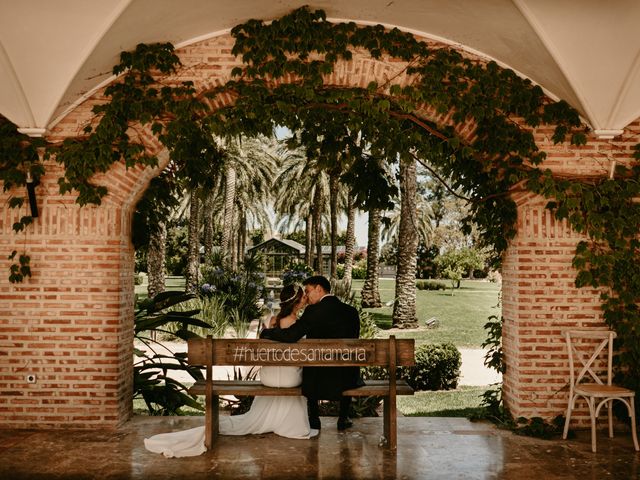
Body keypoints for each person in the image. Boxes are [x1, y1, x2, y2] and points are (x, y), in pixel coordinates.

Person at [144, 284, 318, 458]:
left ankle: (273, 419)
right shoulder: (299, 324)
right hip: (291, 380)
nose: (305, 299)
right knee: (298, 376)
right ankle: (290, 424)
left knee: (279, 374)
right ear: (297, 302)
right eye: (303, 296)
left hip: (269, 378)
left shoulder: (272, 321)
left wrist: (269, 334)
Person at [260, 275, 361, 431]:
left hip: (317, 378)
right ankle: (343, 418)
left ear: (319, 289)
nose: (306, 296)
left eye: (308, 291)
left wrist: (268, 333)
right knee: (347, 365)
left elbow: (291, 335)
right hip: (346, 377)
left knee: (311, 366)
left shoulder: (313, 311)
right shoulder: (351, 312)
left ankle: (314, 419)